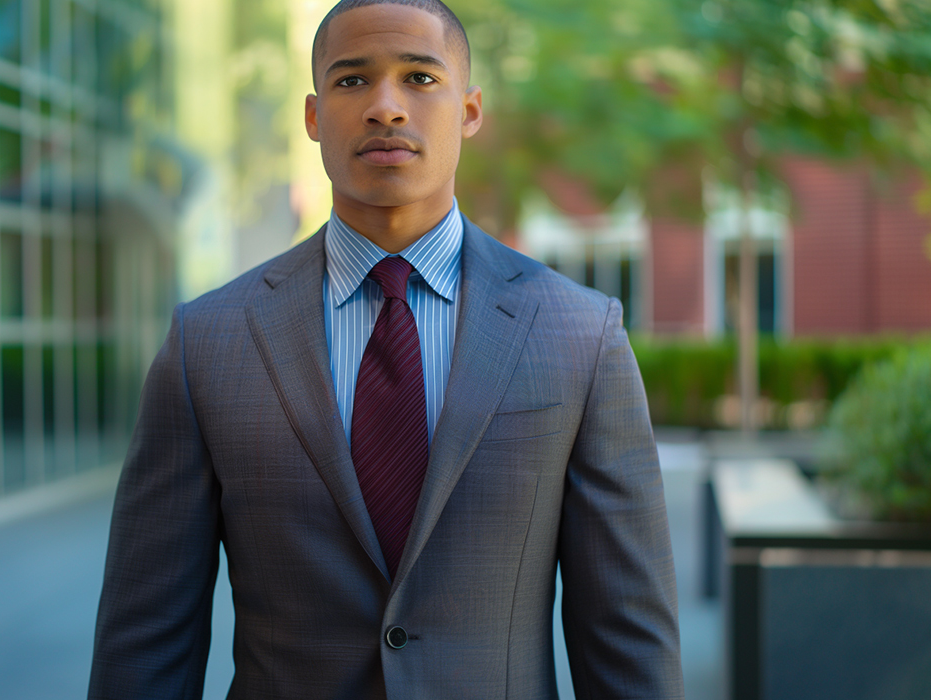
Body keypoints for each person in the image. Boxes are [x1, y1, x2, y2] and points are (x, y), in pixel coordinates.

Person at [88, 1, 684, 698]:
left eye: (420, 78)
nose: (386, 108)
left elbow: (628, 637)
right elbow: (147, 636)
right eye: (351, 82)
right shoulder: (208, 342)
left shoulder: (580, 334)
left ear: (469, 109)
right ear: (313, 118)